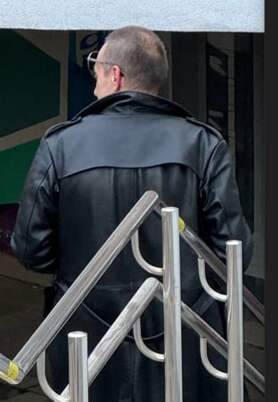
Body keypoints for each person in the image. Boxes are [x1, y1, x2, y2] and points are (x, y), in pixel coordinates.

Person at [11, 26, 252, 402]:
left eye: (96, 68)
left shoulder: (62, 145)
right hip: (183, 338)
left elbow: (31, 250)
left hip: (85, 338)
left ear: (115, 74)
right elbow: (234, 251)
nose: (94, 83)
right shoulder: (203, 144)